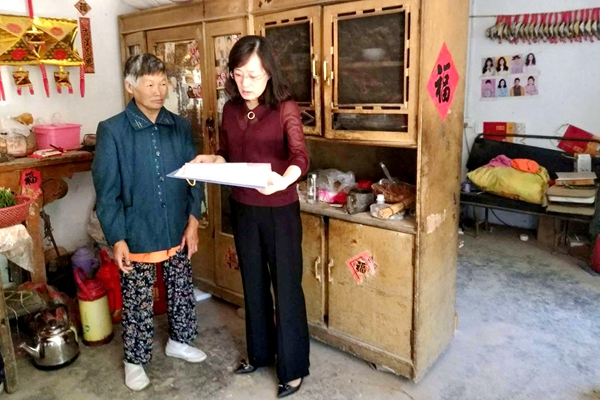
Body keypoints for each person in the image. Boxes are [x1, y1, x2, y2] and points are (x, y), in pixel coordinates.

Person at [191, 35, 309, 398]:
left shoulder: (284, 108)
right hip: (243, 208)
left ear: (269, 73)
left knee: (286, 287)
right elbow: (229, 153)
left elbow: (300, 157)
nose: (245, 83)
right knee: (253, 283)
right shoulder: (230, 110)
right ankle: (259, 354)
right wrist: (211, 160)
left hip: (280, 210)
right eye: (238, 74)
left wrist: (284, 181)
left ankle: (292, 368)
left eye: (254, 75)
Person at [92, 54, 206, 392]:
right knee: (138, 298)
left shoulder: (179, 126)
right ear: (131, 87)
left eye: (163, 83)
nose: (159, 91)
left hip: (176, 223)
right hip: (137, 226)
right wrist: (117, 238)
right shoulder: (113, 130)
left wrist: (194, 220)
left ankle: (180, 341)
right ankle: (134, 359)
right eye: (150, 84)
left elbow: (194, 176)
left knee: (181, 286)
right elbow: (107, 192)